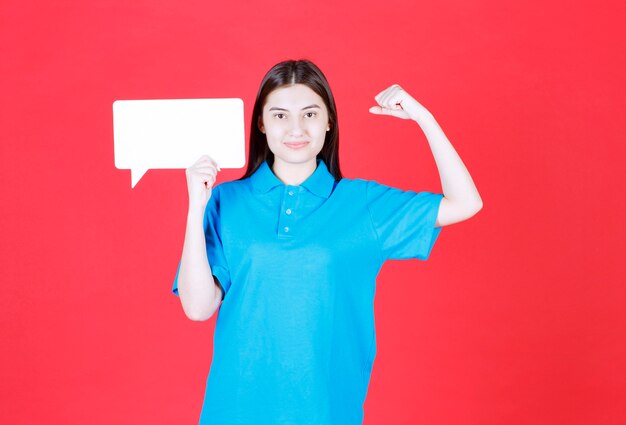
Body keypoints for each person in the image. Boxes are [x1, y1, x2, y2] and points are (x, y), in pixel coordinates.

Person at [172, 59, 482, 425]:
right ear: (261, 123)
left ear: (329, 120)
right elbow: (197, 308)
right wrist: (196, 207)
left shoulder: (362, 204)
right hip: (234, 411)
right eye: (280, 116)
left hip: (326, 412)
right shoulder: (225, 201)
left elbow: (466, 203)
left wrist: (424, 118)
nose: (296, 129)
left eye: (310, 113)